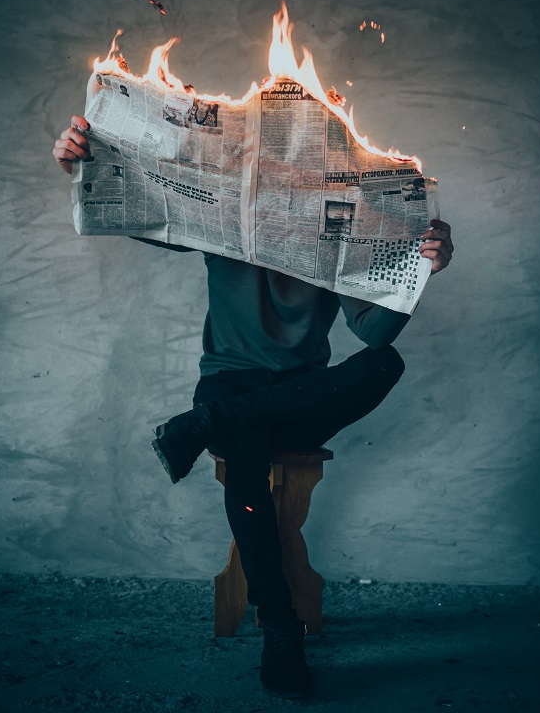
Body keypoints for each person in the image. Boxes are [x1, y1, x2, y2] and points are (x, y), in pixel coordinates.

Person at [52, 115, 454, 699]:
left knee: (384, 365)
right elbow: (140, 210)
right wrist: (81, 164)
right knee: (245, 460)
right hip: (230, 388)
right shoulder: (221, 213)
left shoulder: (336, 225)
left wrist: (422, 268)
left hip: (299, 398)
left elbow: (375, 336)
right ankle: (281, 632)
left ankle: (204, 427)